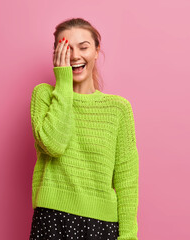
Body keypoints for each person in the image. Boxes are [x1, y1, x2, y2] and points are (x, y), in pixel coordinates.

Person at [29, 17, 139, 240]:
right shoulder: (44, 96)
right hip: (52, 220)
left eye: (84, 47)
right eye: (66, 48)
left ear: (97, 51)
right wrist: (63, 83)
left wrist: (128, 236)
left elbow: (127, 180)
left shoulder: (118, 109)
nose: (75, 56)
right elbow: (54, 144)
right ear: (57, 55)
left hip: (101, 226)